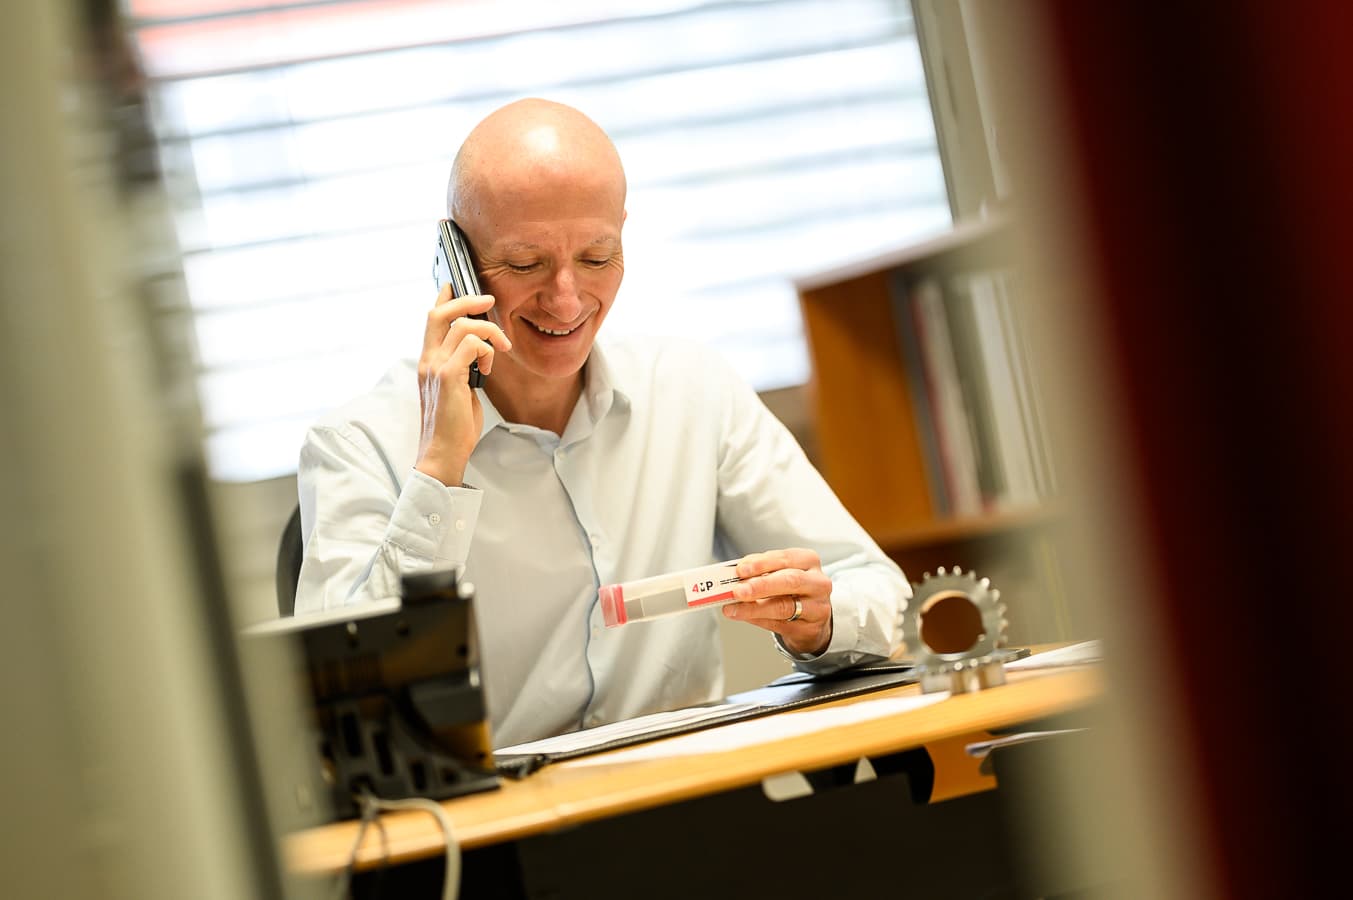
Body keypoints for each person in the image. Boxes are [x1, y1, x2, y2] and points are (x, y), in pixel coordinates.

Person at [295, 98, 909, 748]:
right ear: (456, 260)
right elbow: (347, 714)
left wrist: (817, 621)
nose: (565, 298)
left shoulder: (692, 390)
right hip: (493, 830)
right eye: (525, 263)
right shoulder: (356, 444)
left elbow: (878, 592)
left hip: (687, 801)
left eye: (595, 256)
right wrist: (438, 471)